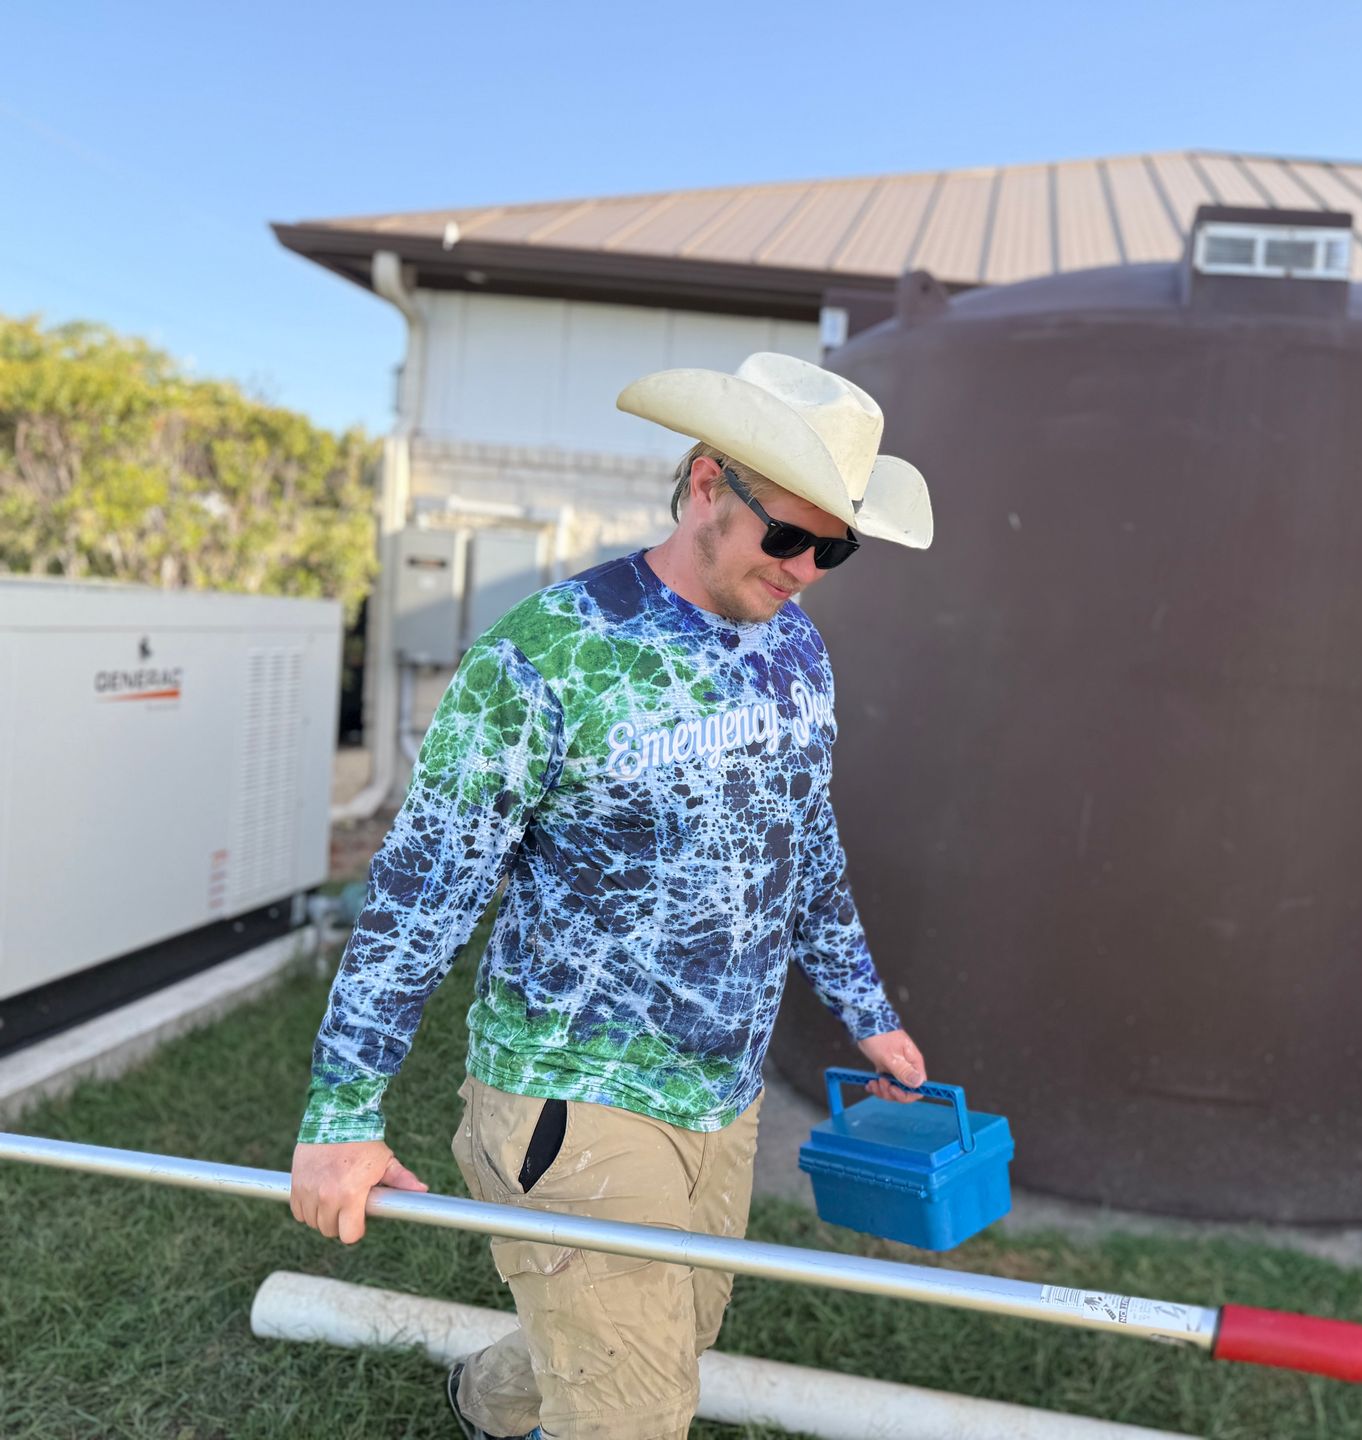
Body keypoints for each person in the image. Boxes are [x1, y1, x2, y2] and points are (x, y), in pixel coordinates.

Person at [288, 351, 935, 1440]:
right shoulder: (547, 660)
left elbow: (802, 841)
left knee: (679, 1332)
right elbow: (420, 894)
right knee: (636, 1414)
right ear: (704, 487)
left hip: (721, 1094)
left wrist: (867, 1009)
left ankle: (486, 1401)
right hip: (571, 1091)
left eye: (837, 546)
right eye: (788, 535)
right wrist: (339, 1117)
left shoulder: (798, 654)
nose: (808, 568)